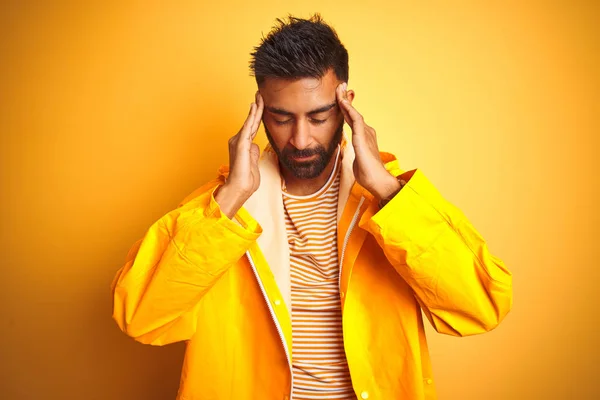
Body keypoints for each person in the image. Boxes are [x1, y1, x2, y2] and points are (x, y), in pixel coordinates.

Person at [111, 14, 512, 400]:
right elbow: (140, 315)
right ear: (259, 111)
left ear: (345, 104)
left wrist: (388, 191)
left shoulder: (392, 202)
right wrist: (231, 196)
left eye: (318, 116)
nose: (300, 140)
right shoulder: (221, 211)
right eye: (281, 118)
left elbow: (481, 307)